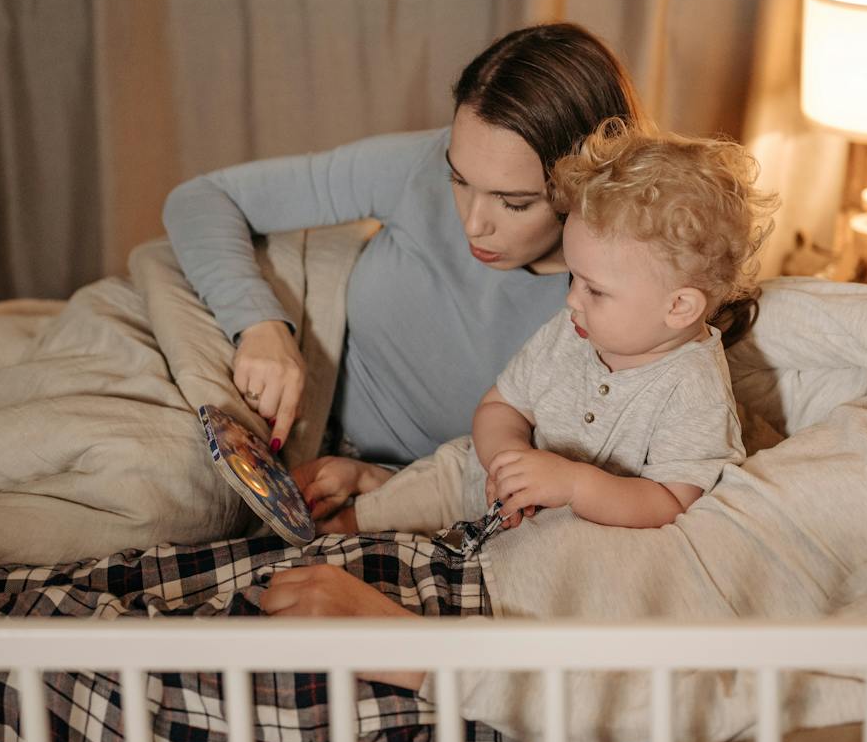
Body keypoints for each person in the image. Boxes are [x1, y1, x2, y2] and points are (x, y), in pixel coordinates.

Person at [249, 156, 867, 742]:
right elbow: (752, 325)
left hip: (484, 692)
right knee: (100, 607)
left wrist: (420, 661)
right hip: (483, 573)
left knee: (98, 681)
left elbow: (780, 693)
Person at [163, 22, 641, 469]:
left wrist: (384, 485)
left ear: (590, 185)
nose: (472, 224)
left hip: (408, 494)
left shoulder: (627, 299)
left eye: (513, 202)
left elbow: (560, 479)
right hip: (278, 410)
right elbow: (201, 199)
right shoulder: (419, 163)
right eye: (458, 178)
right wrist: (259, 325)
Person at [321, 121, 775, 536]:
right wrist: (508, 460)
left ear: (679, 307)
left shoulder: (692, 389)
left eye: (594, 290)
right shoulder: (574, 329)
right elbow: (500, 406)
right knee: (353, 524)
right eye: (573, 277)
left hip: (559, 536)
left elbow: (674, 503)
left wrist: (574, 485)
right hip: (472, 484)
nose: (571, 299)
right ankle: (349, 513)